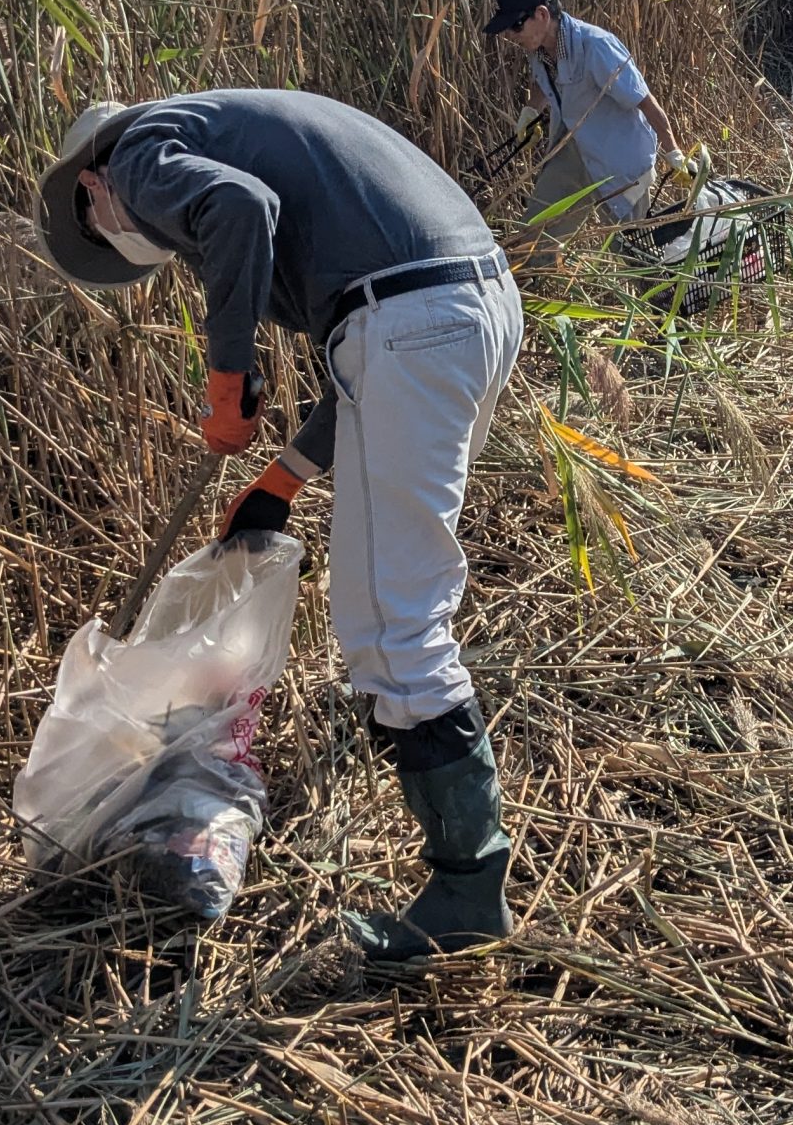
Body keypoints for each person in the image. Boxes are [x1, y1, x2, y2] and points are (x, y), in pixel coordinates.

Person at [37, 89, 525, 961]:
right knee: (396, 613)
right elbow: (371, 343)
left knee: (394, 627)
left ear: (90, 185)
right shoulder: (229, 126)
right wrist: (280, 479)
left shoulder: (136, 152)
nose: (121, 238)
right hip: (475, 306)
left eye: (100, 228)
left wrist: (228, 378)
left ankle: (466, 894)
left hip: (417, 323)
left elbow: (240, 209)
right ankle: (464, 878)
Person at [485, 0, 689, 250]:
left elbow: (645, 101)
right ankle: (537, 271)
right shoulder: (537, 49)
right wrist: (530, 112)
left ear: (541, 15)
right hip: (572, 148)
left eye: (516, 25)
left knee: (631, 251)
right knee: (535, 239)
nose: (510, 34)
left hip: (619, 159)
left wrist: (674, 152)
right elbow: (542, 82)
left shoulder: (597, 47)